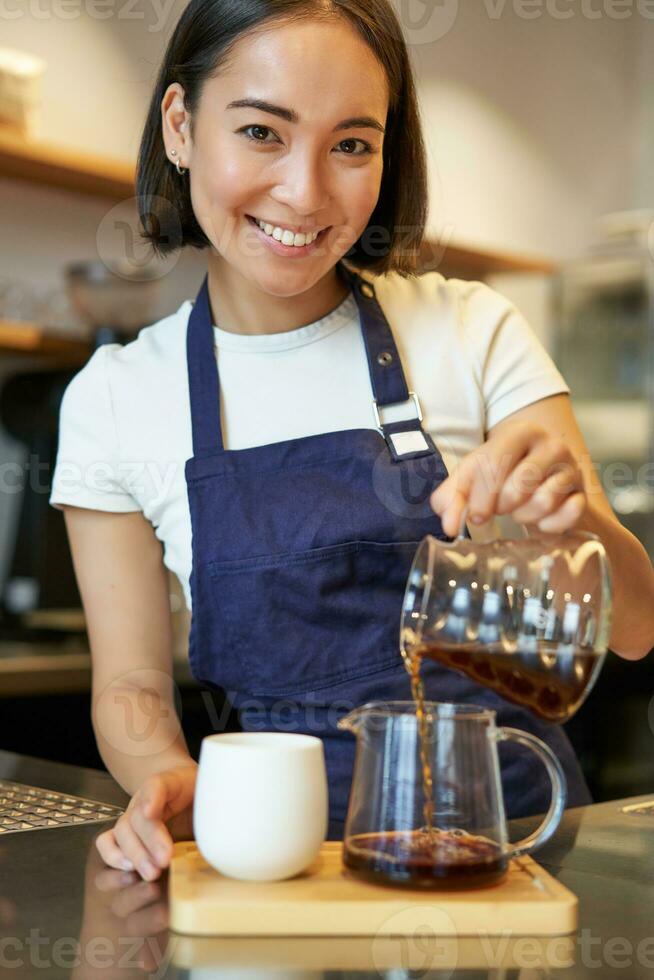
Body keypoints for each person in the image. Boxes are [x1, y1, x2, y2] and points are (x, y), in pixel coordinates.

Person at [50, 0, 654, 883]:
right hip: (274, 857)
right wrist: (165, 777)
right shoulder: (114, 398)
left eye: (352, 145)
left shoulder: (471, 331)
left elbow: (634, 630)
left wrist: (574, 524)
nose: (305, 191)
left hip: (508, 849)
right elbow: (132, 692)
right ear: (180, 126)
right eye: (262, 131)